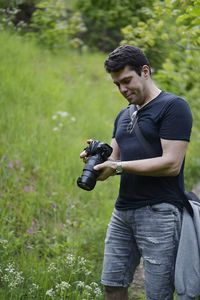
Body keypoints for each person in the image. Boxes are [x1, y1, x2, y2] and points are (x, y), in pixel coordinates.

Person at [80, 45, 193, 300]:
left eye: (127, 81)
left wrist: (117, 166)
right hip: (123, 212)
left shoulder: (173, 107)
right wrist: (96, 160)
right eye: (117, 84)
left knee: (158, 294)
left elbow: (171, 163)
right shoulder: (123, 115)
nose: (122, 89)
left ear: (145, 71)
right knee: (112, 284)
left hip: (160, 213)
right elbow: (115, 160)